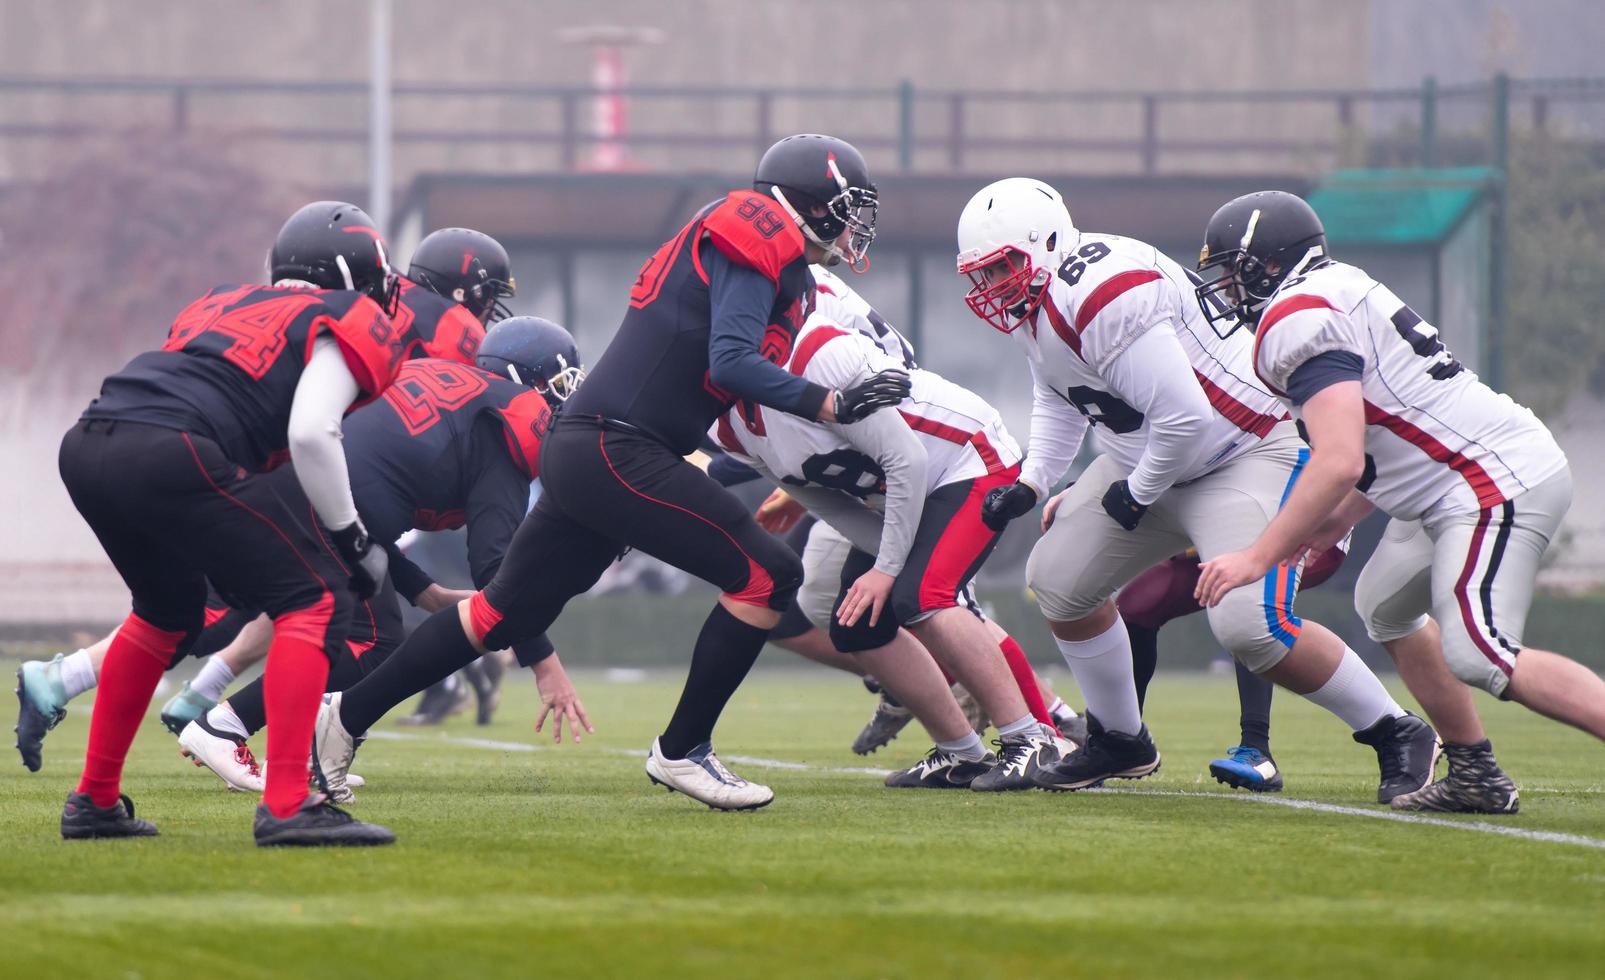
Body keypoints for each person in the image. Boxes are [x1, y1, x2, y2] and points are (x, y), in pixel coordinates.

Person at [310, 134, 910, 811]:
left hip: (603, 447)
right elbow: (733, 363)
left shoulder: (786, 277)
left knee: (501, 614)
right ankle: (683, 749)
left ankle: (344, 716)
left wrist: (802, 463)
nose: (852, 223)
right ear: (808, 200)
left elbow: (722, 395)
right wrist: (829, 402)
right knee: (769, 575)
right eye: (845, 206)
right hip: (617, 446)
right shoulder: (753, 229)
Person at [955, 177, 1438, 800]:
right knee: (1058, 579)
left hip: (1243, 451)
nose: (994, 286)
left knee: (1250, 626)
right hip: (1151, 458)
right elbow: (1059, 395)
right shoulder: (1041, 300)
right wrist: (1032, 480)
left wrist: (1138, 493)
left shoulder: (1102, 291)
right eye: (983, 274)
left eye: (1005, 268)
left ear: (1046, 245)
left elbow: (1186, 418)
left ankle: (1394, 730)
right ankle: (1120, 738)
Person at [15, 227, 523, 769]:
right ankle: (253, 758)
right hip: (280, 461)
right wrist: (362, 540)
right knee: (337, 618)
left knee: (207, 610)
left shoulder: (227, 300)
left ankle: (129, 722)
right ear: (468, 291)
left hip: (128, 437)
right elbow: (327, 432)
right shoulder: (445, 329)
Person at [1192, 189, 1603, 813]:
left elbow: (1339, 459)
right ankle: (1474, 773)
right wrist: (1330, 524)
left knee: (1481, 649)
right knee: (1384, 606)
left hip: (1487, 476)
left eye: (1230, 273)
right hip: (1454, 473)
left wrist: (1258, 555)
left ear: (1268, 265)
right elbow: (1389, 435)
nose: (1224, 294)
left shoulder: (1296, 320)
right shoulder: (1339, 286)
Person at [50, 201, 403, 846]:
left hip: (89, 439)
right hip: (170, 445)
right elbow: (311, 432)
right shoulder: (345, 316)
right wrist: (352, 538)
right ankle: (290, 804)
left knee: (165, 613)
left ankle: (95, 801)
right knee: (316, 597)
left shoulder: (220, 303)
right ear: (359, 276)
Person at [172, 318, 587, 797]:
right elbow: (496, 569)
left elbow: (368, 505)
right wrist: (544, 664)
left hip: (287, 484)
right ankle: (225, 725)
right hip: (318, 502)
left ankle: (299, 756)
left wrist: (422, 589)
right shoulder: (502, 426)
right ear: (526, 382)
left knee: (338, 629)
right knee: (374, 644)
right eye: (558, 385)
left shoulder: (445, 385)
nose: (563, 400)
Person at [711, 312, 1071, 790]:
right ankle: (961, 753)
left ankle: (1033, 738)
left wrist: (887, 568)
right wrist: (887, 559)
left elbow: (908, 459)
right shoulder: (729, 428)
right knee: (857, 626)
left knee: (925, 596)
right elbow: (827, 502)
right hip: (904, 493)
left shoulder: (818, 351)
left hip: (969, 460)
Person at [1117, 542, 1346, 792]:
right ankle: (1121, 739)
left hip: (1292, 534)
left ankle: (1257, 748)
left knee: (1245, 607)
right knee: (1139, 603)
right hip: (1222, 539)